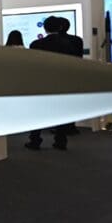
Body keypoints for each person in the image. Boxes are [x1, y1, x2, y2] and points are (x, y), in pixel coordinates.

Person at [25, 16, 77, 151]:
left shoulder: (36, 44)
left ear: (45, 28)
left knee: (37, 113)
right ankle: (61, 141)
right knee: (61, 113)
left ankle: (35, 140)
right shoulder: (68, 44)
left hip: (41, 82)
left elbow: (33, 65)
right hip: (61, 82)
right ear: (60, 27)